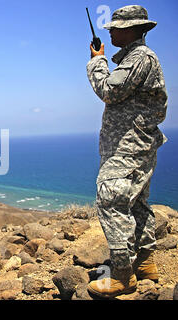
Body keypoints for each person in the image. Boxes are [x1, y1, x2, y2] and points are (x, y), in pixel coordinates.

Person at [86, 5, 168, 298]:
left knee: (109, 199)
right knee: (136, 203)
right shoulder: (134, 59)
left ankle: (122, 275)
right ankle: (146, 264)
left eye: (117, 27)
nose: (112, 31)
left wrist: (97, 62)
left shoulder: (140, 58)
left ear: (134, 29)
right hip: (134, 144)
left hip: (130, 147)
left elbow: (110, 90)